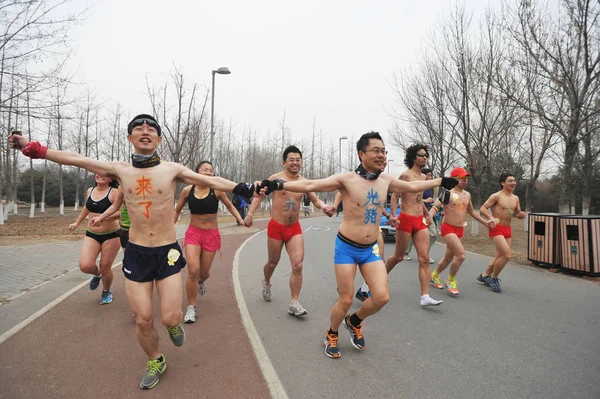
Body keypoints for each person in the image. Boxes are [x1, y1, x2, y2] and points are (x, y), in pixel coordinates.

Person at [9, 114, 261, 389]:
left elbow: (212, 181)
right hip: (136, 253)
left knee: (170, 317)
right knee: (142, 319)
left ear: (158, 139)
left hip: (167, 252)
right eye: (137, 128)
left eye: (151, 128)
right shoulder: (120, 170)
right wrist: (33, 148)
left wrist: (246, 187)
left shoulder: (172, 169)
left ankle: (173, 324)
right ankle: (155, 359)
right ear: (129, 138)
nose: (144, 131)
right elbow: (76, 158)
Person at [259, 132, 458, 358]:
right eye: (376, 151)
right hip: (346, 247)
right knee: (345, 299)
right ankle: (331, 334)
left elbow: (412, 188)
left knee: (381, 297)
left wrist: (442, 181)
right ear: (361, 154)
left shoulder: (386, 180)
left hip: (370, 249)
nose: (382, 155)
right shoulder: (346, 179)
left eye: (384, 151)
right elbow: (312, 184)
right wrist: (277, 183)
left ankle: (354, 321)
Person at [244, 145, 335, 316]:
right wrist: (250, 215)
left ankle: (294, 302)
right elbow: (259, 196)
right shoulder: (275, 179)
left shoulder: (304, 181)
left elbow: (315, 200)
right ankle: (267, 281)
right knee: (272, 263)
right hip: (276, 228)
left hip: (294, 228)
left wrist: (325, 207)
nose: (295, 163)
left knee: (298, 265)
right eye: (291, 160)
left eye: (298, 160)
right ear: (284, 162)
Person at [173, 160, 248, 323]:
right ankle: (191, 307)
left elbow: (229, 206)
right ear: (197, 172)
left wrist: (241, 220)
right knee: (193, 270)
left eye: (211, 170)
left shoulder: (217, 190)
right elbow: (177, 209)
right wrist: (169, 227)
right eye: (205, 170)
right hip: (193, 234)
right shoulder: (187, 190)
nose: (209, 172)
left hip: (211, 235)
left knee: (204, 272)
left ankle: (201, 281)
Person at [385, 144, 444, 307]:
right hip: (405, 219)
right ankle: (372, 282)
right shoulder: (405, 175)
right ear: (413, 157)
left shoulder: (424, 178)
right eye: (421, 155)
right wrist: (393, 215)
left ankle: (425, 296)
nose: (425, 157)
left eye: (426, 155)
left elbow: (418, 199)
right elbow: (395, 196)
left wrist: (426, 214)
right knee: (398, 257)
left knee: (424, 258)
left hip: (420, 221)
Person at [333, 159, 398, 302]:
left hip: (375, 228)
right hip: (353, 232)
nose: (383, 162)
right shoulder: (356, 180)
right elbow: (340, 193)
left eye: (385, 160)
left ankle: (365, 289)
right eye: (379, 159)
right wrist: (335, 205)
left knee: (380, 259)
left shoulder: (384, 181)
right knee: (352, 266)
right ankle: (345, 285)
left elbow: (377, 205)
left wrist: (389, 216)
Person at [428, 167, 495, 296]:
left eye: (466, 179)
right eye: (462, 178)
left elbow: (472, 212)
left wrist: (485, 222)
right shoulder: (448, 192)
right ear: (455, 179)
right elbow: (436, 206)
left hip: (460, 230)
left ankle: (434, 275)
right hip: (448, 228)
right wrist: (430, 215)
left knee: (448, 257)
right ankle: (451, 280)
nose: (465, 181)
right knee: (461, 255)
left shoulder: (467, 195)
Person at [67, 174, 121, 304]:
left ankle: (106, 290)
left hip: (111, 234)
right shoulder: (90, 190)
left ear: (111, 179)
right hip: (92, 234)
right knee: (85, 266)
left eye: (105, 175)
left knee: (105, 267)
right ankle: (97, 275)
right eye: (98, 173)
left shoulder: (115, 192)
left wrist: (102, 218)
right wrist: (76, 223)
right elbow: (87, 207)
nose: (100, 176)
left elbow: (120, 212)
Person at [477, 173, 526, 292]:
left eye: (514, 180)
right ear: (502, 183)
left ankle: (484, 276)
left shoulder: (516, 198)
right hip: (496, 227)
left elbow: (516, 214)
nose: (513, 183)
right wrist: (490, 217)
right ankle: (494, 278)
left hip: (507, 229)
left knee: (500, 256)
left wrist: (520, 215)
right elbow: (483, 208)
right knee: (507, 255)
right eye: (510, 181)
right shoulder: (496, 196)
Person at [403, 168, 437, 264]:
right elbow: (415, 199)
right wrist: (425, 201)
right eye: (428, 175)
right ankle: (406, 252)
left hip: (428, 213)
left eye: (431, 176)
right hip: (417, 213)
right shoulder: (417, 185)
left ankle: (425, 253)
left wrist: (427, 203)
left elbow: (431, 198)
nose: (430, 177)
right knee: (411, 234)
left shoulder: (430, 187)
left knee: (433, 234)